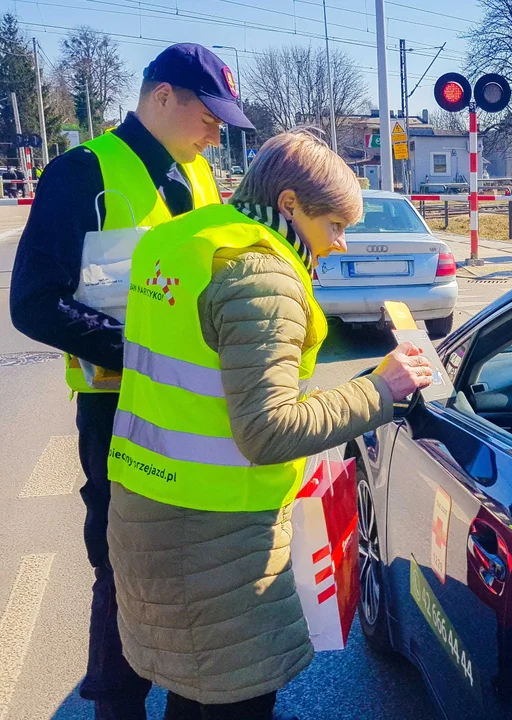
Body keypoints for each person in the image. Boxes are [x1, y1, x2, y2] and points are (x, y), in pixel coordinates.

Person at [105, 130, 433, 720]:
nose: (338, 245)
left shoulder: (179, 242)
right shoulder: (263, 278)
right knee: (236, 701)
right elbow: (268, 431)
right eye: (333, 225)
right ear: (288, 204)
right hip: (220, 542)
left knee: (191, 693)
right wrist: (380, 389)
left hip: (145, 507)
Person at [9, 43, 248, 720]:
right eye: (208, 116)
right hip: (118, 412)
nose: (215, 133)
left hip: (197, 412)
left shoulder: (200, 179)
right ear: (162, 96)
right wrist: (143, 350)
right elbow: (32, 301)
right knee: (124, 568)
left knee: (191, 564)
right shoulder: (81, 173)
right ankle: (118, 703)